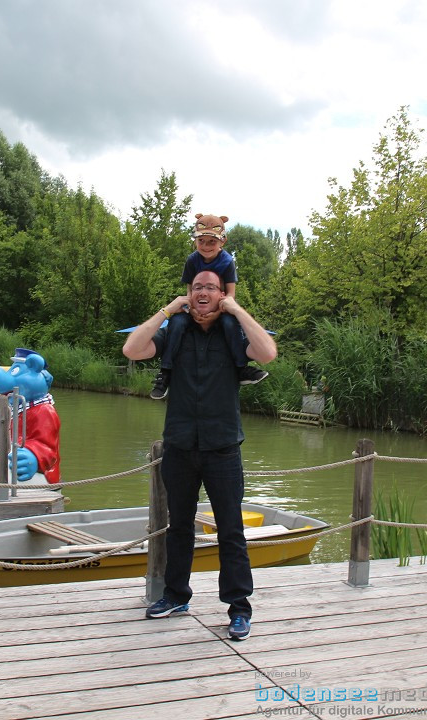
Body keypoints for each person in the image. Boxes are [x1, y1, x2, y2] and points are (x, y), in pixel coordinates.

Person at [122, 270, 277, 641]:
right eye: (196, 288)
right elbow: (132, 349)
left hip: (222, 448)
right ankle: (176, 596)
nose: (202, 292)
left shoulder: (232, 332)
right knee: (179, 527)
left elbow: (268, 353)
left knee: (231, 531)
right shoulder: (175, 331)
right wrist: (167, 309)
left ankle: (239, 608)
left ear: (222, 294)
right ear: (188, 294)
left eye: (210, 287)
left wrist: (236, 310)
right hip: (179, 445)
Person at [150, 213, 269, 400]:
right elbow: (190, 292)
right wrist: (194, 311)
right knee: (178, 322)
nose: (205, 247)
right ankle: (165, 372)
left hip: (220, 307)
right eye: (201, 241)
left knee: (231, 323)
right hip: (196, 306)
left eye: (211, 242)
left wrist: (215, 314)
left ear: (222, 241)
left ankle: (241, 368)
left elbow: (230, 294)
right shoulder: (192, 260)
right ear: (196, 241)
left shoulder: (227, 261)